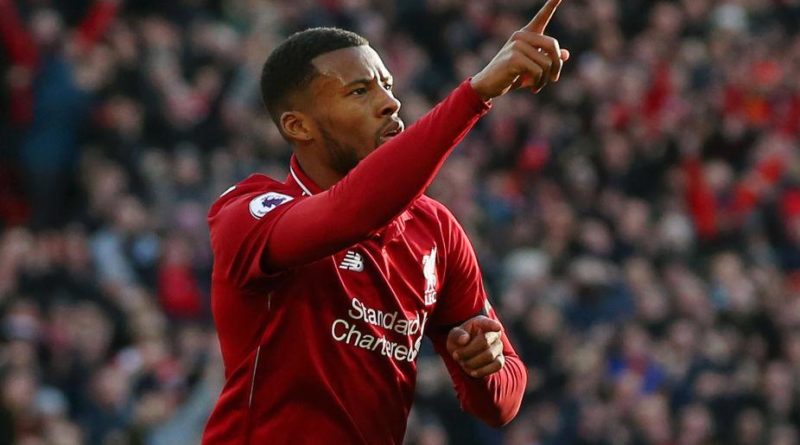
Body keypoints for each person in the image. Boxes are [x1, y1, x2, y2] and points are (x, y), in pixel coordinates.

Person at [202, 0, 570, 443]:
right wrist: (475, 94)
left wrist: (484, 365)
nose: (390, 103)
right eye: (360, 92)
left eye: (387, 85)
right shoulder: (248, 213)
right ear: (299, 126)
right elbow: (350, 214)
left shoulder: (435, 230)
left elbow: (501, 404)